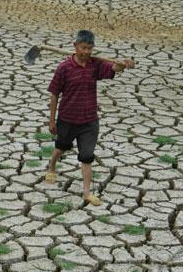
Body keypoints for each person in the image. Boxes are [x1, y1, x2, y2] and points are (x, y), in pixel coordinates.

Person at [45, 30, 134, 206]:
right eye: (83, 48)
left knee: (86, 156)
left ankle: (87, 193)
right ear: (75, 46)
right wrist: (52, 120)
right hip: (67, 118)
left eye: (90, 48)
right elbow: (54, 94)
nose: (86, 52)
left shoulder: (95, 64)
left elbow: (113, 69)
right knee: (61, 146)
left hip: (89, 120)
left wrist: (123, 64)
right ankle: (52, 165)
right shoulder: (64, 67)